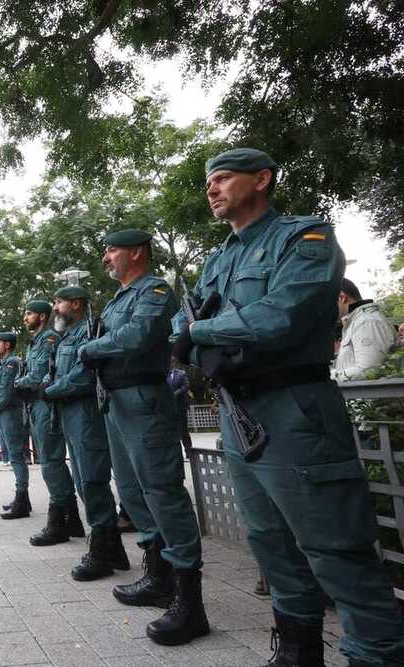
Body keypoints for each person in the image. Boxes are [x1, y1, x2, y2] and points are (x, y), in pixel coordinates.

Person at [173, 147, 404, 664]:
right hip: (239, 411)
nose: (211, 188)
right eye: (208, 181)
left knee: (334, 546)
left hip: (295, 407)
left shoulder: (304, 237)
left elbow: (282, 315)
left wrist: (201, 332)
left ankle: (377, 653)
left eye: (223, 178)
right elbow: (180, 329)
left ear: (262, 180)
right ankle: (298, 651)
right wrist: (196, 333)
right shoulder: (220, 258)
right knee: (269, 540)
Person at [77, 228, 207, 646]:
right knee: (132, 493)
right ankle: (157, 576)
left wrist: (92, 349)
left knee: (162, 491)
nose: (106, 257)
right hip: (116, 401)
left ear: (136, 252)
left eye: (112, 249)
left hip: (143, 398)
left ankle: (189, 598)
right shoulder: (118, 298)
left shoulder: (153, 290)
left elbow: (137, 336)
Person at [43, 286, 130, 580]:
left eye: (60, 301)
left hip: (85, 411)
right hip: (68, 412)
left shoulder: (88, 332)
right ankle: (113, 549)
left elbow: (84, 374)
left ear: (76, 304)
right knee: (83, 481)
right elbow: (56, 369)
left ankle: (103, 551)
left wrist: (52, 389)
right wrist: (49, 382)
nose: (56, 307)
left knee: (92, 480)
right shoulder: (67, 335)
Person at [14, 299, 85, 547]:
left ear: (42, 317)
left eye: (29, 313)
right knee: (51, 461)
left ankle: (59, 523)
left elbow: (39, 376)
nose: (25, 317)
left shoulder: (48, 340)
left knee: (51, 462)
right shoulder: (37, 342)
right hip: (37, 405)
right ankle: (71, 520)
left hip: (45, 404)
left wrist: (17, 383)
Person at [0, 333, 30, 519]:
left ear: (7, 345)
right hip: (5, 412)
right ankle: (22, 499)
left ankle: (22, 500)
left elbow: (6, 392)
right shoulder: (4, 362)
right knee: (14, 455)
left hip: (11, 412)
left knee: (16, 456)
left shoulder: (11, 362)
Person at [333, 277, 396, 381]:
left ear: (342, 297)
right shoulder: (357, 323)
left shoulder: (368, 322)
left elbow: (369, 371)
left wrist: (325, 377)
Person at [167, 366, 193, 452]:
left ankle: (189, 452)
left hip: (180, 407)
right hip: (168, 407)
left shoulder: (181, 373)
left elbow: (185, 386)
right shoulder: (162, 375)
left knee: (183, 431)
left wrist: (174, 395)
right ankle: (175, 453)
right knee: (170, 431)